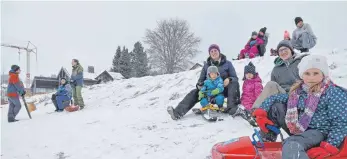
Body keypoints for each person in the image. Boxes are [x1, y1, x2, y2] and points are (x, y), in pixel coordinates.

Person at [252, 55, 347, 159]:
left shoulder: (332, 92)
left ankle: (295, 148)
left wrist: (329, 146)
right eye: (307, 73)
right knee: (277, 107)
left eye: (316, 73)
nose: (311, 77)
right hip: (300, 127)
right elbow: (277, 97)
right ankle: (267, 139)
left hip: (320, 131)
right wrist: (262, 110)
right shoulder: (299, 91)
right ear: (302, 75)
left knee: (291, 144)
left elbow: (340, 123)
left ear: (323, 74)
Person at [167, 44, 240, 120]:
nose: (213, 52)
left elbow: (235, 77)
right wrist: (200, 86)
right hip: (209, 90)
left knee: (234, 83)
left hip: (223, 89)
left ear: (219, 52)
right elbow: (201, 80)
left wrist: (229, 79)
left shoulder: (227, 63)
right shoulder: (206, 66)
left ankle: (233, 108)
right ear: (209, 53)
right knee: (194, 92)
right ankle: (177, 113)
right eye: (211, 51)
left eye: (215, 50)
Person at [252, 40, 308, 110]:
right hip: (283, 94)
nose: (283, 52)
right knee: (271, 85)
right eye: (280, 50)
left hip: (299, 93)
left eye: (285, 49)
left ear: (291, 50)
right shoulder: (276, 69)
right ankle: (255, 111)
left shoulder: (300, 62)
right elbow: (273, 88)